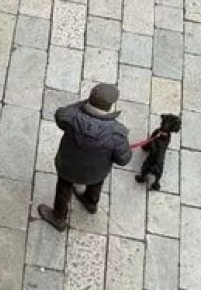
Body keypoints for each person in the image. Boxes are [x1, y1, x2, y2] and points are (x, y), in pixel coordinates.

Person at [38, 83, 132, 231]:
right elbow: (123, 160)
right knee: (96, 183)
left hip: (68, 166)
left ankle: (58, 217)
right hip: (97, 172)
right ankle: (90, 202)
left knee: (64, 187)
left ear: (90, 98)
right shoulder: (118, 133)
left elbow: (59, 116)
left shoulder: (72, 117)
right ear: (110, 105)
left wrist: (83, 105)